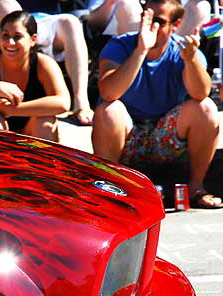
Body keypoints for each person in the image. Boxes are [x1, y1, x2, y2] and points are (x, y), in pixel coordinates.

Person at [92, 0, 221, 209]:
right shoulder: (120, 45)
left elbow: (201, 93)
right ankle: (109, 189)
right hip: (127, 137)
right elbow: (108, 92)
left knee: (206, 108)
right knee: (108, 110)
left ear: (176, 24)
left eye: (158, 21)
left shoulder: (186, 50)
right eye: (146, 17)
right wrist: (141, 50)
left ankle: (197, 187)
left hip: (167, 138)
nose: (149, 25)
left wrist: (190, 61)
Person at [0, 10, 70, 140]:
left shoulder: (43, 63)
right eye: (5, 35)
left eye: (17, 36)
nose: (10, 42)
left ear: (33, 39)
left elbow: (63, 103)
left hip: (31, 132)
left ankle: (38, 160)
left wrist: (13, 110)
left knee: (45, 121)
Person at [0, 0, 94, 126]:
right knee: (7, 5)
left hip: (44, 19)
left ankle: (81, 102)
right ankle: (10, 100)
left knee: (71, 22)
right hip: (13, 17)